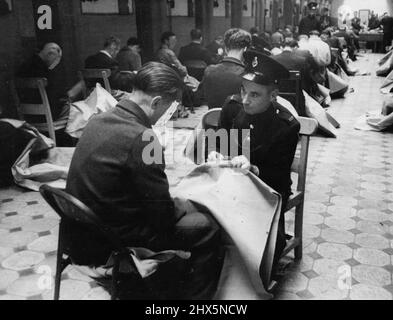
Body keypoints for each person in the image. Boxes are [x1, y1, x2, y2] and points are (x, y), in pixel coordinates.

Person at [66, 62, 224, 300]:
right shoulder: (143, 138)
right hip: (112, 241)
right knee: (207, 227)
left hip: (81, 232)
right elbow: (162, 217)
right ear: (156, 103)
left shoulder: (98, 120)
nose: (169, 115)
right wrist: (185, 206)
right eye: (171, 109)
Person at [214, 50, 300, 273]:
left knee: (261, 252)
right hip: (231, 186)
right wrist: (217, 154)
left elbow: (280, 176)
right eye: (243, 90)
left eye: (254, 95)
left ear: (273, 96)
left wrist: (253, 168)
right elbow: (221, 146)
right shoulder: (232, 108)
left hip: (267, 191)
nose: (245, 100)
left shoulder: (286, 126)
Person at [196, 28, 251, 109]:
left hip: (213, 120)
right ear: (245, 49)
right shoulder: (247, 74)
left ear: (225, 48)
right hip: (237, 120)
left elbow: (197, 99)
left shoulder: (209, 71)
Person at [17, 42, 68, 122]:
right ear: (50, 54)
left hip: (27, 117)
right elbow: (56, 94)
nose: (55, 64)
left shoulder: (24, 66)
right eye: (56, 59)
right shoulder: (44, 70)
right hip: (47, 117)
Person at [273, 39, 317, 116]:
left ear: (281, 47)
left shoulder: (272, 59)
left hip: (277, 96)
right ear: (295, 48)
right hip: (296, 97)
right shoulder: (301, 60)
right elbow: (307, 80)